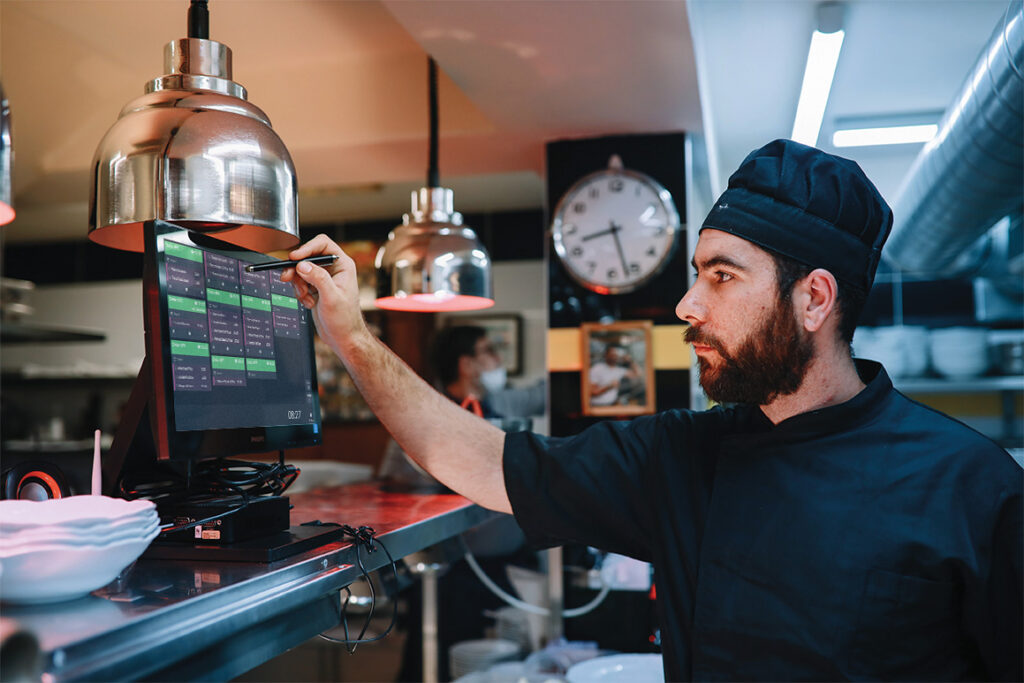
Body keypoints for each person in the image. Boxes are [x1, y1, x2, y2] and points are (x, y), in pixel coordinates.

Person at [282, 139, 1022, 681]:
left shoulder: (973, 488)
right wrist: (350, 333)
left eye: (722, 276)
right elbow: (481, 459)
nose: (686, 304)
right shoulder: (682, 456)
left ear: (814, 299)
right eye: (696, 273)